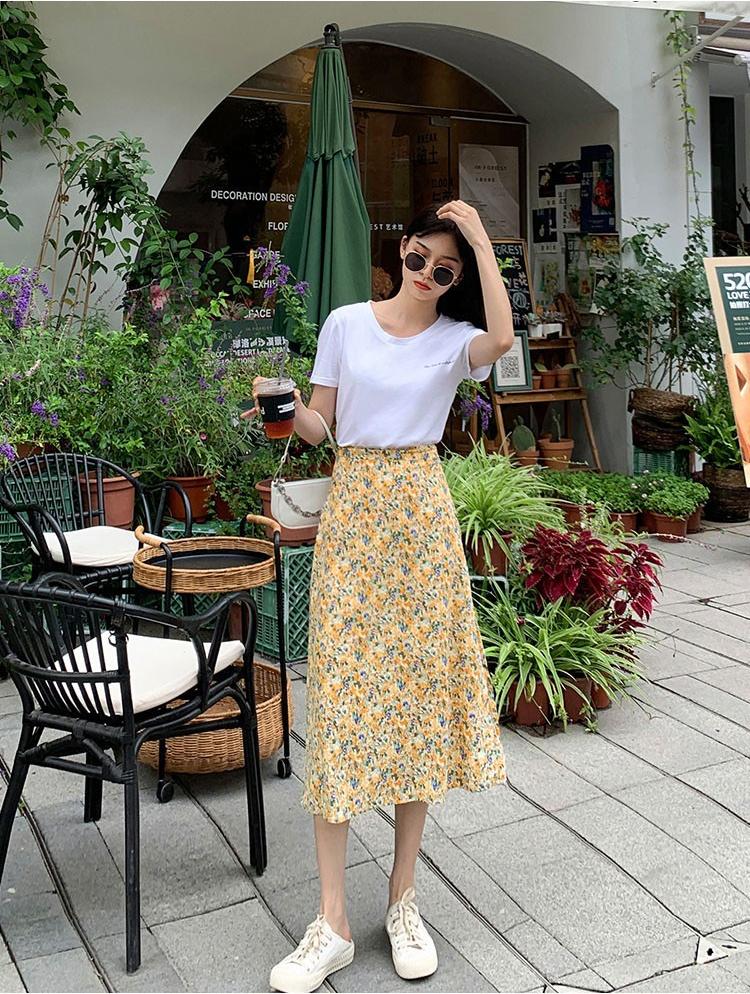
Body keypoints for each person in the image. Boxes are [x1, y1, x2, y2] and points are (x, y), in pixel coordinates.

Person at [248, 201, 514, 994]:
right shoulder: (345, 323)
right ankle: (331, 922)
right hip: (356, 511)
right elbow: (321, 426)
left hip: (422, 517)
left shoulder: (454, 339)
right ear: (402, 251)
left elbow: (503, 338)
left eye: (446, 269)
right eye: (421, 257)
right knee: (341, 699)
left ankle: (403, 900)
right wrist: (285, 410)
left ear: (457, 278)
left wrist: (482, 241)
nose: (428, 274)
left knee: (416, 701)